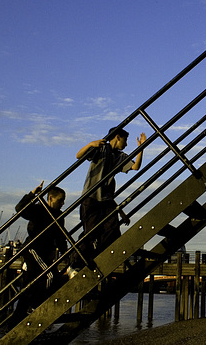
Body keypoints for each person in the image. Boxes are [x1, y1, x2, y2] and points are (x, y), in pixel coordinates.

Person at [66, 127, 146, 278]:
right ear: (117, 137)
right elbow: (78, 155)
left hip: (107, 200)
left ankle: (96, 258)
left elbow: (135, 166)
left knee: (113, 230)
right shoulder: (101, 149)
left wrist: (141, 148)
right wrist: (91, 144)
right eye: (125, 140)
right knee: (90, 233)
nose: (126, 144)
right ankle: (74, 264)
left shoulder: (120, 156)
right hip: (91, 198)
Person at [8, 181, 68, 327]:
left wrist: (66, 255)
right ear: (50, 199)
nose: (62, 203)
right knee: (50, 277)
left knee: (29, 285)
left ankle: (14, 323)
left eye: (63, 201)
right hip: (33, 249)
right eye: (60, 200)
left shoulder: (59, 216)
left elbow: (60, 237)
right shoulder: (40, 210)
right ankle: (35, 306)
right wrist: (32, 194)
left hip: (45, 253)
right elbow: (20, 209)